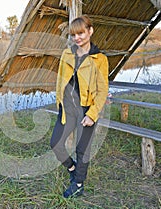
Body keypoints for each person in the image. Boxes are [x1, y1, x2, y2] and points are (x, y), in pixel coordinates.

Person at [50, 15, 109, 198]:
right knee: (56, 144)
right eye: (74, 35)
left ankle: (78, 183)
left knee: (82, 149)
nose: (77, 38)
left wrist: (92, 114)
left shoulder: (100, 59)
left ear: (90, 31)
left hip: (86, 110)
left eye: (81, 33)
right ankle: (73, 168)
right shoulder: (66, 54)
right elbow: (60, 79)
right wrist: (60, 100)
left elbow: (102, 90)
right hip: (67, 109)